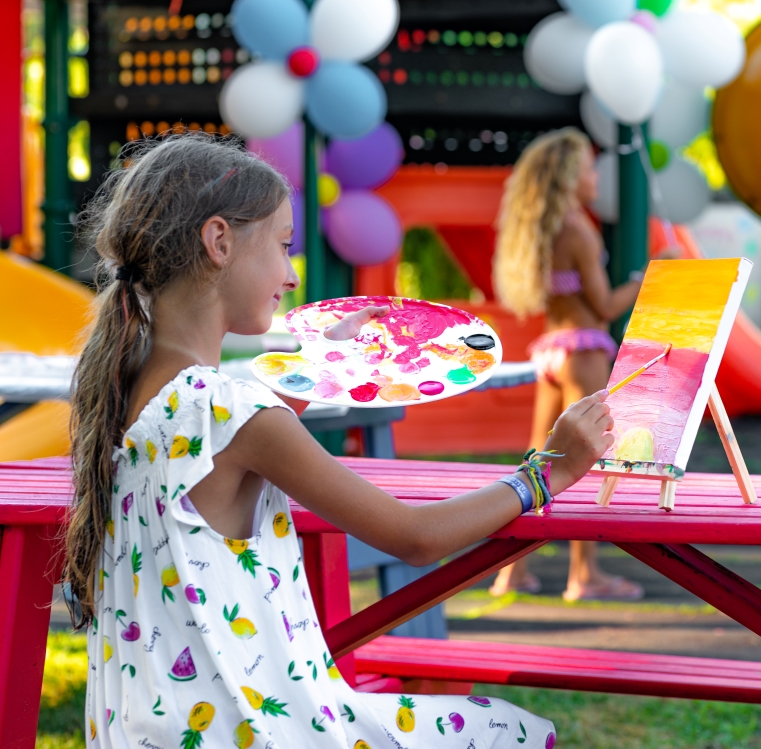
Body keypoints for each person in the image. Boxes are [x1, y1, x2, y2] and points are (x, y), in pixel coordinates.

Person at [65, 134, 614, 748]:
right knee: (506, 731)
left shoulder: (126, 390)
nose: (292, 274)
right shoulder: (233, 413)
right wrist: (547, 472)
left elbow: (244, 431)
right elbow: (415, 537)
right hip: (255, 731)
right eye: (282, 246)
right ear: (218, 242)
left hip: (151, 729)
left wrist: (329, 355)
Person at [491, 128, 663, 602]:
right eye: (588, 169)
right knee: (586, 459)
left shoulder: (543, 228)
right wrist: (646, 277)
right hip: (583, 351)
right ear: (569, 176)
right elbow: (605, 306)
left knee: (536, 461)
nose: (595, 177)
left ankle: (510, 571)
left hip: (550, 350)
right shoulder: (580, 230)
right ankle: (584, 574)